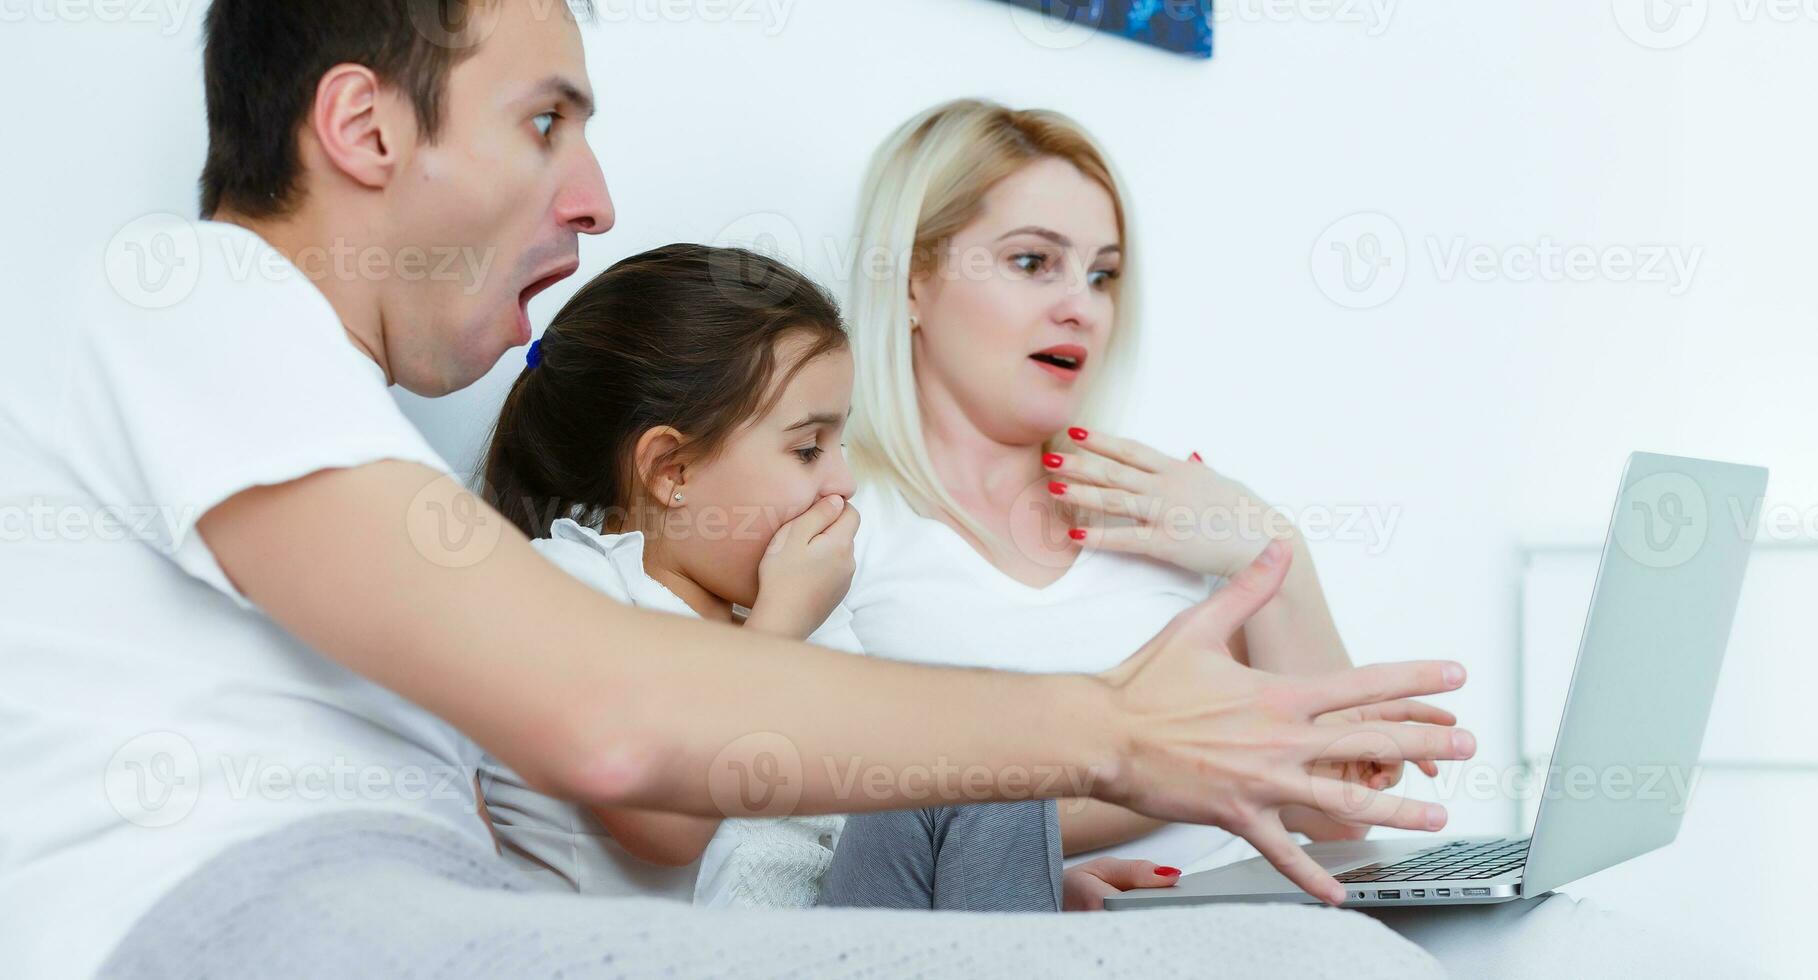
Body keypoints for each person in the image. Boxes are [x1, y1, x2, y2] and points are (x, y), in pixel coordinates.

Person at [0, 3, 1470, 977]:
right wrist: (1109, 732)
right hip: (259, 921)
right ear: (368, 130)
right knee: (1300, 961)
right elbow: (616, 722)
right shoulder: (186, 288)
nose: (594, 195)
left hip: (420, 910)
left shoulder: (342, 446)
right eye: (543, 122)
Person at [839, 98, 1456, 874]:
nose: (1081, 308)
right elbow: (845, 824)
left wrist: (1272, 549)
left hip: (1257, 920)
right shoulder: (839, 525)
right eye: (1033, 262)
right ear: (909, 282)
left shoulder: (1166, 508)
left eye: (1103, 276)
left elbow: (1328, 812)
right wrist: (1174, 774)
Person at [470, 241, 1181, 911]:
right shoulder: (569, 589)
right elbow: (663, 830)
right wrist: (782, 629)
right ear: (672, 470)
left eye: (840, 442)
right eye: (808, 448)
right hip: (675, 959)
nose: (841, 480)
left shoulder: (799, 618)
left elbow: (863, 818)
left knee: (978, 761)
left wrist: (1002, 879)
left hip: (812, 934)